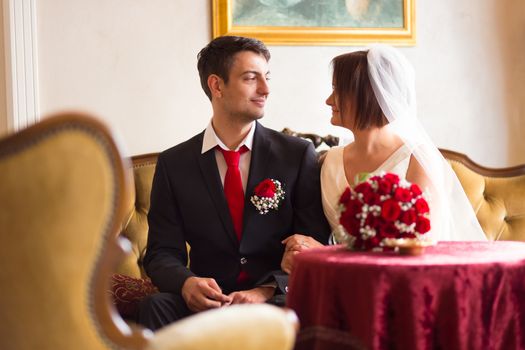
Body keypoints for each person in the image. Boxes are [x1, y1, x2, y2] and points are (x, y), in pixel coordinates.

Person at [136, 35, 330, 331]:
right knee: (155, 307)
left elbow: (312, 245)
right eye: (251, 78)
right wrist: (187, 283)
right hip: (207, 304)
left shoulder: (296, 154)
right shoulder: (174, 164)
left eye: (266, 77)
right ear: (217, 85)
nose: (265, 89)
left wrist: (265, 291)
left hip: (275, 301)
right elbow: (162, 252)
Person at [320, 45, 488, 242]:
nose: (328, 100)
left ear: (365, 95)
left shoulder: (417, 159)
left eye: (337, 90)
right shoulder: (330, 160)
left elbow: (422, 241)